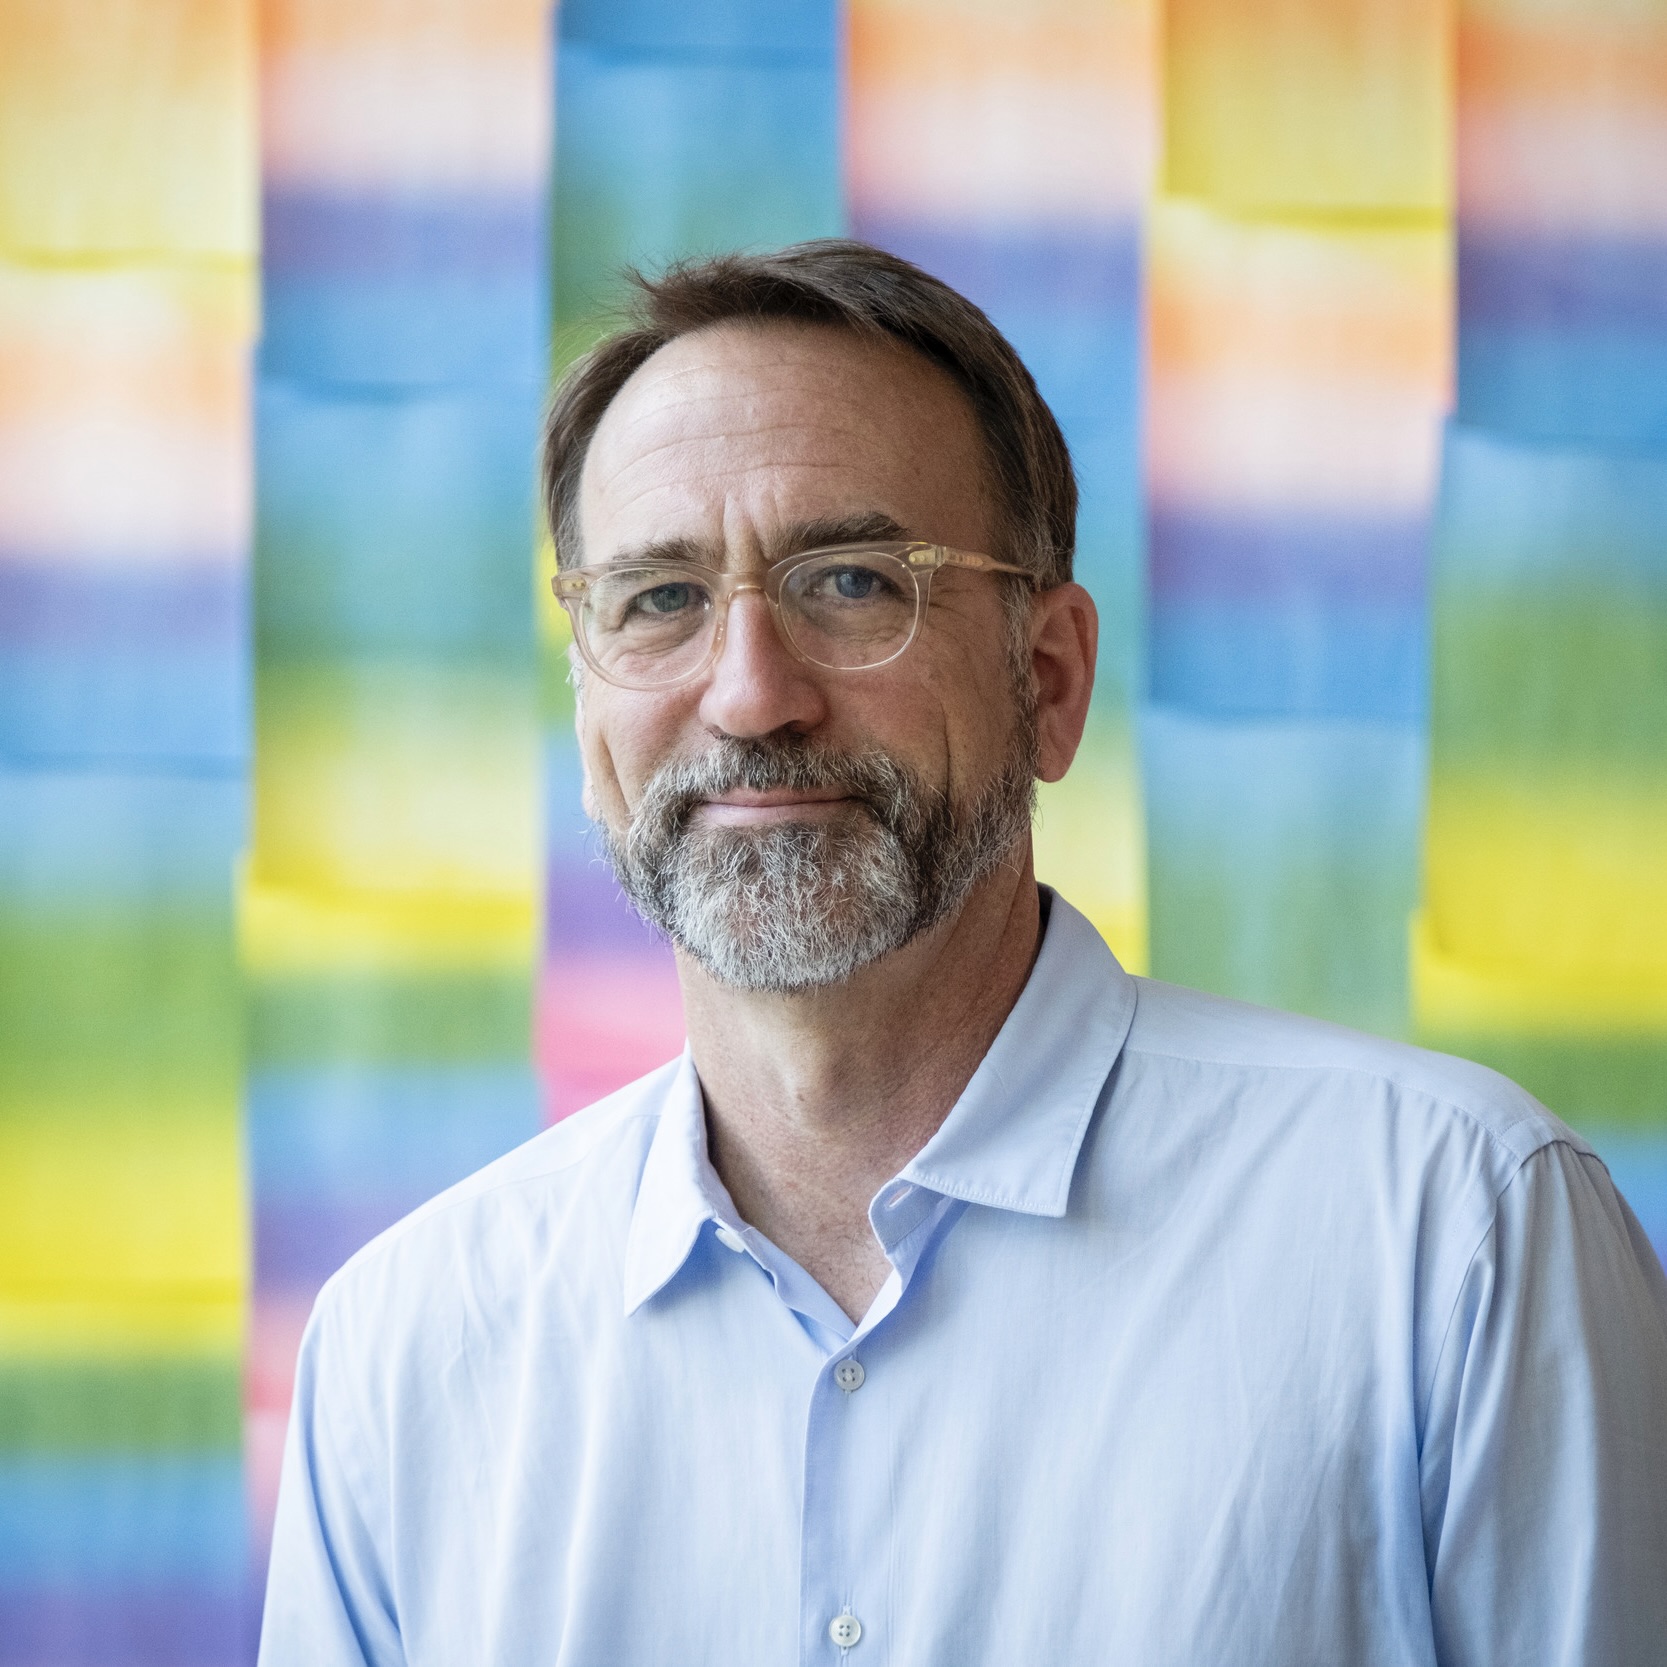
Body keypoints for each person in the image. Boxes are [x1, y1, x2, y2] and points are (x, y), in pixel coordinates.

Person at [258, 240, 1667, 1666]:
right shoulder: (405, 1351)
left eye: (853, 581)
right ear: (585, 717)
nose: (749, 696)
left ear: (1046, 682)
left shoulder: (1454, 1235)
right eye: (660, 600)